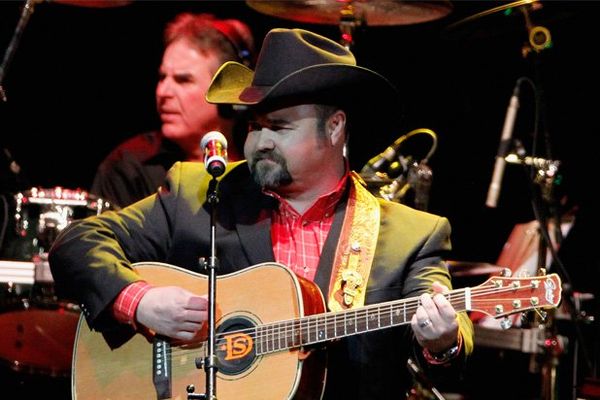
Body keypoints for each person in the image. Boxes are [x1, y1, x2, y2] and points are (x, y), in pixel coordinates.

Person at [49, 28, 473, 399]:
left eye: (280, 127)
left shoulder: (411, 236)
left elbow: (451, 355)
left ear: (335, 127)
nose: (260, 142)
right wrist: (141, 302)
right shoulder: (200, 193)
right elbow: (76, 244)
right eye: (255, 126)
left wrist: (443, 341)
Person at [90, 12, 254, 208]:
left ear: (228, 91)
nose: (163, 92)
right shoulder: (128, 168)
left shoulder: (261, 161)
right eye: (162, 77)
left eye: (183, 80)